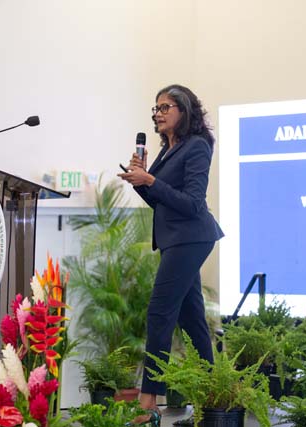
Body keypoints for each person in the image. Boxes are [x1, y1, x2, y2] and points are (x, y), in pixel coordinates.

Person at [118, 84, 224, 426]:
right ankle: (211, 402)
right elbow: (160, 201)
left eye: (165, 107)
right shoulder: (168, 150)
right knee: (192, 321)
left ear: (184, 110)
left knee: (159, 313)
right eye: (156, 108)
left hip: (191, 238)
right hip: (175, 240)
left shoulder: (197, 146)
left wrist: (150, 179)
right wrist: (141, 182)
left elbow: (192, 203)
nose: (158, 113)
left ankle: (148, 404)